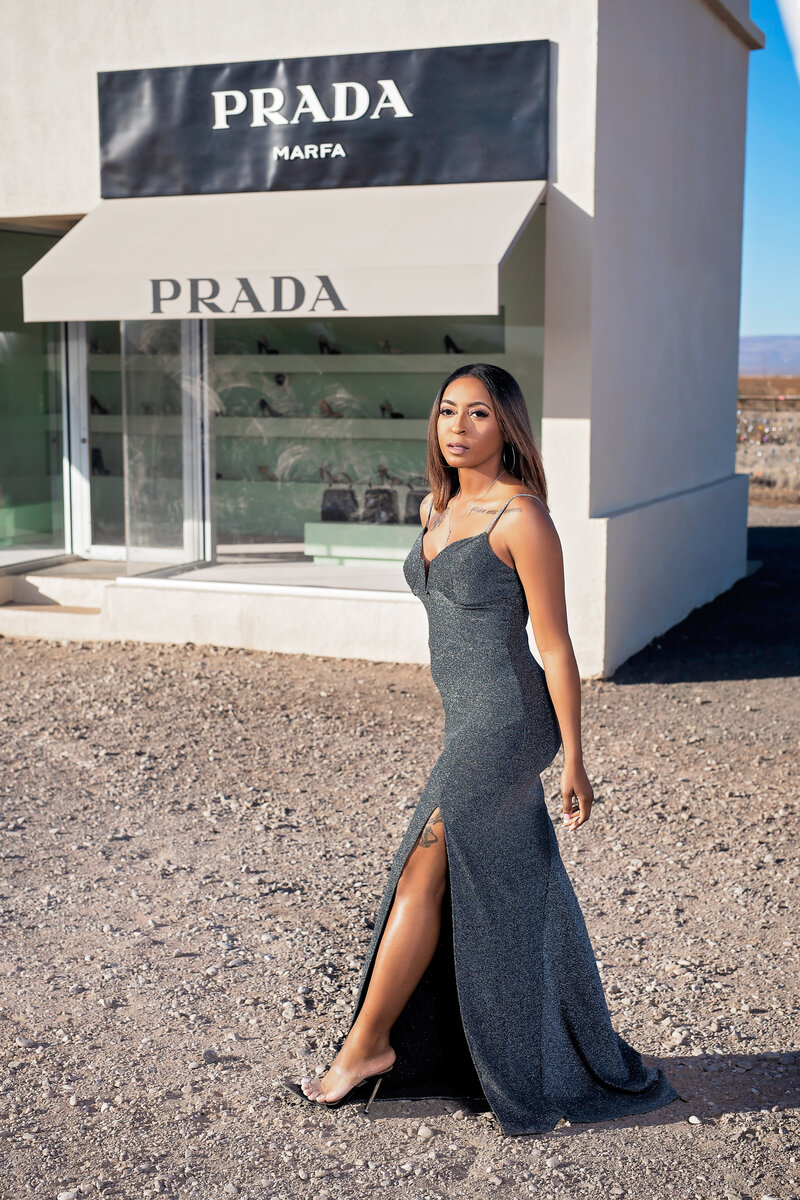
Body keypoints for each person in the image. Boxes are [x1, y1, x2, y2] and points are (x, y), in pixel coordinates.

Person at [284, 363, 683, 1137]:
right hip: (464, 721)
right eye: (446, 412)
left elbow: (557, 646)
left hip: (509, 721)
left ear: (507, 427)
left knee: (421, 868)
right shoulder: (439, 506)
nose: (458, 427)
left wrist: (573, 757)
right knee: (486, 887)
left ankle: (365, 1050)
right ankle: (513, 1045)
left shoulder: (520, 517)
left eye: (478, 415)